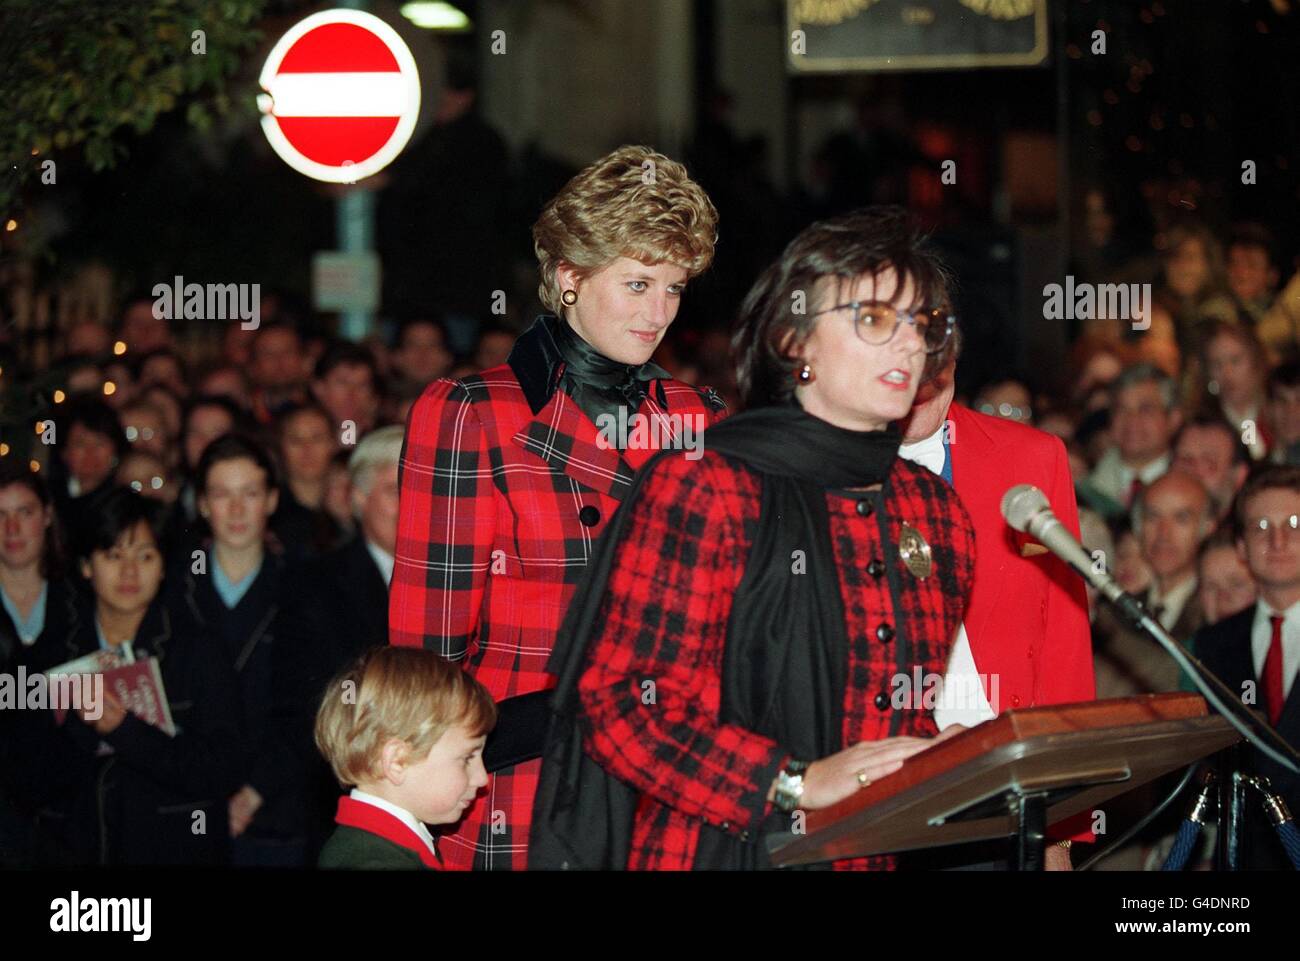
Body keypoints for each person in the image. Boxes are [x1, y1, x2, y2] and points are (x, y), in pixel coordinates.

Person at [531, 206, 976, 871]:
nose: (911, 345)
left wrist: (951, 758)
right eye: (876, 319)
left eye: (924, 324)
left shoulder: (935, 510)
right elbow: (622, 706)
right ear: (794, 342)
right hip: (715, 849)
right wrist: (790, 779)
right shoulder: (706, 485)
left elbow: (882, 724)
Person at [390, 144, 726, 871]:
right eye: (637, 284)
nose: (658, 312)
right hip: (522, 792)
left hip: (669, 796)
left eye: (673, 288)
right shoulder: (471, 415)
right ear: (569, 277)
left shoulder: (705, 421)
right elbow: (425, 665)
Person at [898, 329, 1094, 868]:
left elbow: (1064, 641)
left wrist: (1061, 829)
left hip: (1006, 790)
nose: (921, 379)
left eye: (936, 359)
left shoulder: (1031, 457)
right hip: (876, 802)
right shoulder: (816, 467)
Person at [29, 489, 246, 865]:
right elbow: (27, 777)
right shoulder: (54, 651)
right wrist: (83, 726)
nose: (129, 572)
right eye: (113, 556)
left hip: (176, 851)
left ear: (163, 566)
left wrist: (125, 729)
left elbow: (222, 769)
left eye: (145, 556)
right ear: (85, 565)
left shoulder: (198, 649)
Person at [168, 433, 310, 867]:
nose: (235, 510)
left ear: (270, 499)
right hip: (185, 802)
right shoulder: (171, 587)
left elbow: (312, 706)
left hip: (278, 808)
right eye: (221, 494)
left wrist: (254, 792)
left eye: (249, 494)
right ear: (203, 503)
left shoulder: (304, 586)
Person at [1196, 466, 1300, 869]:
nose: (1278, 540)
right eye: (1261, 526)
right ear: (1241, 546)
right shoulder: (1214, 643)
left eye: (1293, 523)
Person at [314, 647, 495, 869]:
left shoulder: (389, 840)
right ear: (397, 761)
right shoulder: (375, 861)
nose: (482, 778)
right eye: (467, 758)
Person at [1082, 364, 1180, 518]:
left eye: (1145, 409)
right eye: (1122, 409)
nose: (1132, 421)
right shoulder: (1085, 494)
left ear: (1173, 419)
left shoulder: (1189, 486)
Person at [1171, 413, 1251, 521]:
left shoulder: (1247, 532)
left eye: (1209, 463)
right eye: (1186, 461)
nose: (1195, 471)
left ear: (1238, 475)